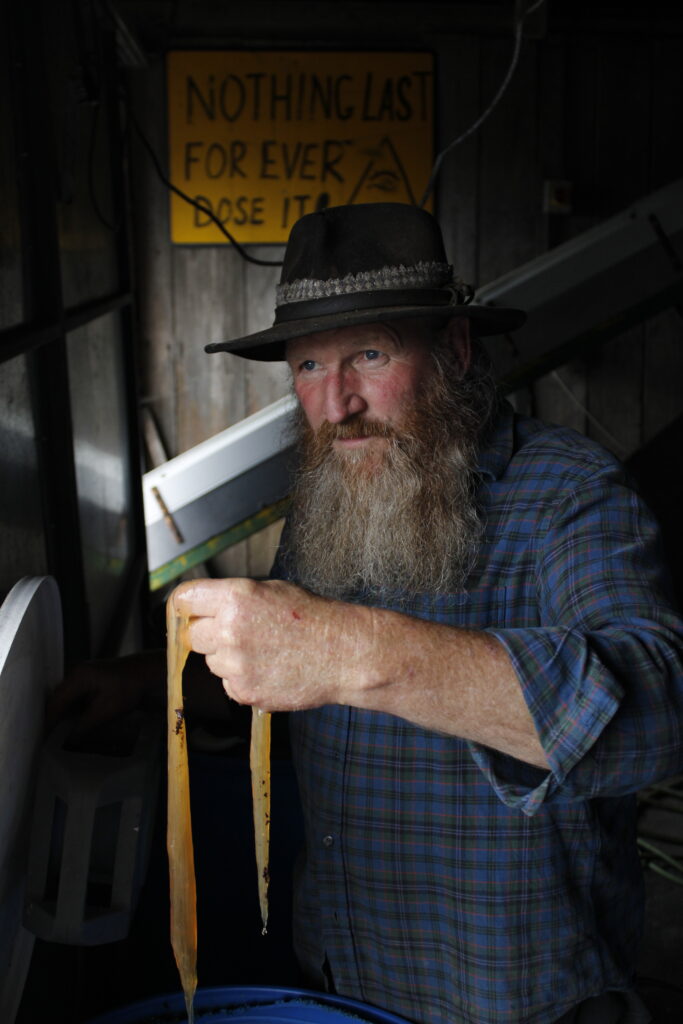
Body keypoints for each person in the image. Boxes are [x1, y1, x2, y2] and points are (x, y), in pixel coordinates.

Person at [59, 204, 683, 1024]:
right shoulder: (328, 499)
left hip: (515, 998)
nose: (337, 401)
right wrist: (146, 682)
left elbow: (659, 711)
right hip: (339, 976)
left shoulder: (565, 493)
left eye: (368, 354)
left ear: (456, 350)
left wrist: (351, 650)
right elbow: (282, 677)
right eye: (308, 366)